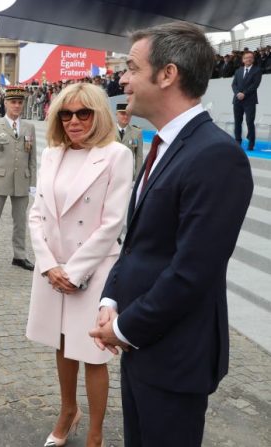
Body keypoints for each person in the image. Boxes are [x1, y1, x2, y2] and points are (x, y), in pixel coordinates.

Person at [88, 22, 254, 447]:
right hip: (141, 345)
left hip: (174, 356)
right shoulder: (165, 143)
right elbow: (140, 241)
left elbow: (192, 272)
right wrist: (111, 298)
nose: (122, 78)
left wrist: (124, 328)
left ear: (168, 74)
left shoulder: (216, 156)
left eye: (131, 67)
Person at [26, 83, 133, 447]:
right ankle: (68, 411)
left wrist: (74, 271)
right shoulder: (52, 153)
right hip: (52, 268)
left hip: (94, 268)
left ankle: (95, 433)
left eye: (83, 113)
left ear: (98, 115)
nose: (73, 121)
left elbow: (112, 223)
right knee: (61, 341)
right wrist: (47, 265)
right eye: (66, 113)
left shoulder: (117, 154)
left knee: (92, 352)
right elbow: (37, 213)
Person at [0, 85, 37, 273]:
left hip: (22, 181)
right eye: (13, 102)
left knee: (20, 222)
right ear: (6, 103)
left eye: (20, 102)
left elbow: (33, 159)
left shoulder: (29, 127)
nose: (17, 106)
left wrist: (33, 183)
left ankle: (19, 256)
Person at [232, 50, 262, 151]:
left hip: (250, 100)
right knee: (237, 122)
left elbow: (255, 85)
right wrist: (237, 93)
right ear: (243, 60)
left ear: (253, 59)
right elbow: (234, 84)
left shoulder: (257, 70)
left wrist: (244, 94)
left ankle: (251, 143)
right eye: (246, 58)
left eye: (250, 57)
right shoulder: (238, 71)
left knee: (249, 122)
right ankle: (237, 141)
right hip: (237, 100)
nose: (248, 59)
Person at [115, 103, 144, 180]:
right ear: (116, 114)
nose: (126, 116)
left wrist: (138, 177)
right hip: (110, 172)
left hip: (127, 174)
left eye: (128, 114)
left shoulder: (137, 133)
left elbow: (139, 157)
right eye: (122, 113)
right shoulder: (108, 131)